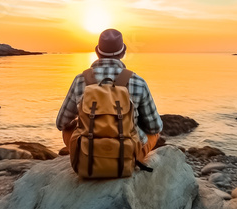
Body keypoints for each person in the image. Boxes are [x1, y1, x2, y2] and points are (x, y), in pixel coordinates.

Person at [56, 28, 163, 163]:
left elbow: (61, 123)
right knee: (154, 133)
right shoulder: (138, 81)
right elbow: (155, 127)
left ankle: (88, 155)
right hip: (126, 157)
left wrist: (86, 119)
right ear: (123, 53)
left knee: (67, 129)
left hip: (88, 157)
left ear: (97, 52)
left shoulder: (80, 80)